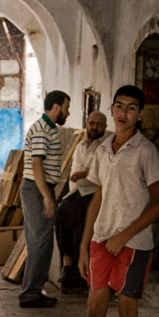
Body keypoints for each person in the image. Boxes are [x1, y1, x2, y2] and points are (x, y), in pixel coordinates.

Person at [66, 85, 159, 317]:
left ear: (140, 114)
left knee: (126, 311)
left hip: (134, 243)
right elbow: (97, 197)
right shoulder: (102, 149)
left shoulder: (145, 151)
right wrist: (85, 245)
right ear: (111, 109)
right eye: (119, 106)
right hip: (101, 241)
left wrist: (123, 236)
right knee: (94, 309)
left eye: (132, 108)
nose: (124, 113)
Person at [19, 90, 70, 308]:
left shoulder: (48, 129)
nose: (67, 112)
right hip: (36, 189)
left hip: (39, 189)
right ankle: (30, 293)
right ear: (56, 107)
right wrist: (47, 198)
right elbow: (36, 165)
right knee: (40, 242)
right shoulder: (41, 130)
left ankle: (34, 290)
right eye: (66, 107)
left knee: (41, 242)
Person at [56, 110, 107, 291]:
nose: (94, 127)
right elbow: (75, 176)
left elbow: (100, 174)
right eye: (92, 123)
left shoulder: (106, 147)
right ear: (87, 124)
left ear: (105, 127)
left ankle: (80, 277)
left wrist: (85, 174)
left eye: (99, 124)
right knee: (61, 214)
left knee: (81, 231)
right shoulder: (80, 147)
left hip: (95, 193)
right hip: (78, 193)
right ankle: (67, 261)